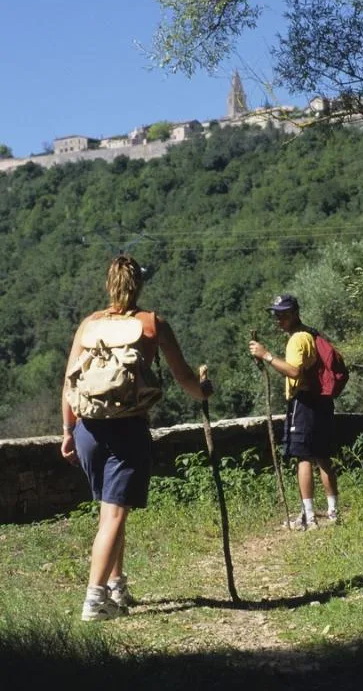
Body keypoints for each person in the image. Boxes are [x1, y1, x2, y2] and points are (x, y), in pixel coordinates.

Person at [61, 255, 212, 622]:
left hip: (88, 429)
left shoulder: (89, 324)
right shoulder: (152, 324)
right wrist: (204, 391)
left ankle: (116, 587)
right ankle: (94, 600)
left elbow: (69, 382)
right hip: (127, 428)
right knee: (114, 514)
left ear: (108, 285)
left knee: (110, 511)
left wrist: (67, 430)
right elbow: (184, 378)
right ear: (139, 285)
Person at [248, 294, 338, 530]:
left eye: (284, 315)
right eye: (277, 315)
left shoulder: (297, 339)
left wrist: (266, 355)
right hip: (322, 400)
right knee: (322, 456)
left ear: (295, 313)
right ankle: (333, 512)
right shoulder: (311, 333)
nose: (279, 319)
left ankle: (309, 517)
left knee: (303, 457)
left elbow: (294, 371)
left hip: (304, 402)